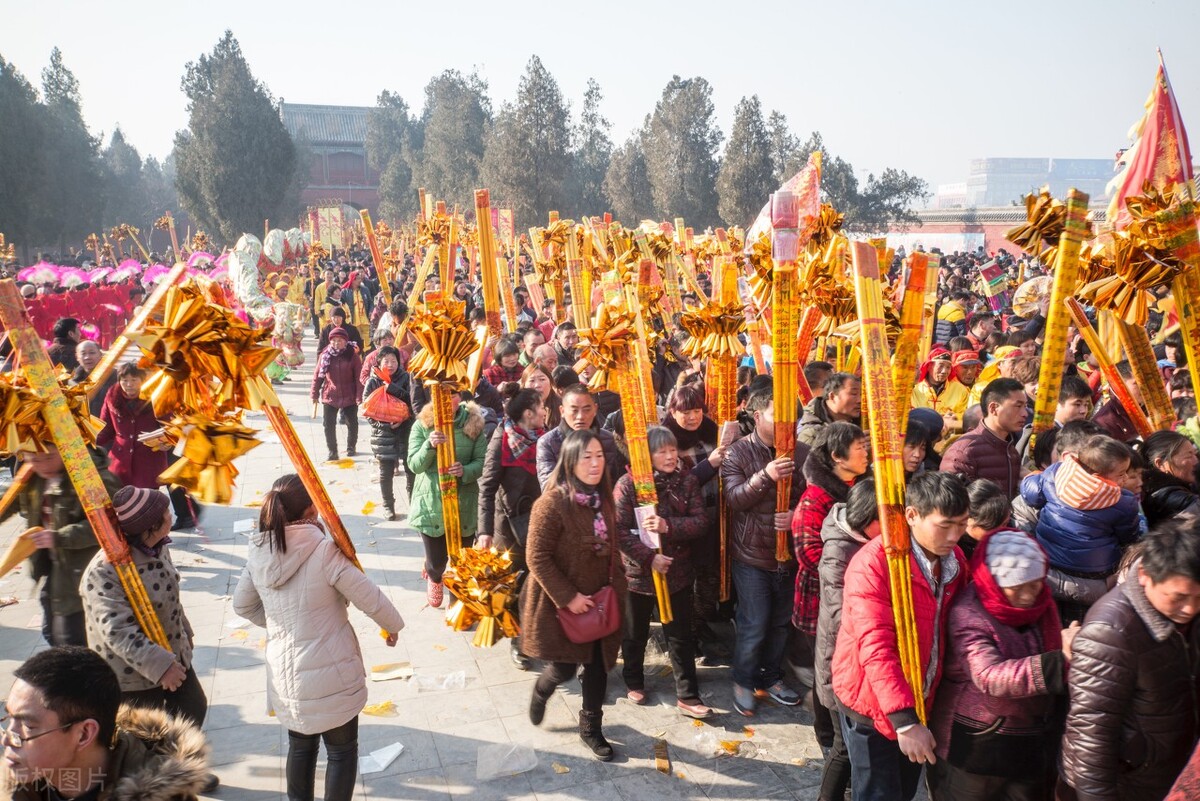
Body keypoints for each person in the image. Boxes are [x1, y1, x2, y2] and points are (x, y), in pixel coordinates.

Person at [233, 475, 404, 801]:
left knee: (300, 747)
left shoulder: (258, 551)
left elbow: (242, 605)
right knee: (341, 753)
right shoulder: (323, 551)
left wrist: (282, 624)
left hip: (286, 677)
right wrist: (391, 625)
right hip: (332, 674)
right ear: (311, 509)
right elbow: (368, 596)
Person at [832, 471, 970, 801]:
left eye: (962, 525)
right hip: (872, 703)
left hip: (922, 697)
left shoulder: (955, 562)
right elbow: (876, 647)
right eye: (945, 525)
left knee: (904, 791)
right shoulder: (874, 564)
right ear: (912, 515)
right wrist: (905, 722)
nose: (954, 536)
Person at [926, 529, 1075, 801]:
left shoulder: (1043, 605)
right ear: (992, 581)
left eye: (1034, 584)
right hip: (978, 746)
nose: (1028, 595)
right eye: (1017, 587)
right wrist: (1060, 661)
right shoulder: (968, 613)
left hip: (1030, 741)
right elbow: (989, 675)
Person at [1061, 521, 1200, 801]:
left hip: (1170, 769)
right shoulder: (1111, 633)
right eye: (1179, 597)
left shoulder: (1184, 616)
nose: (1190, 608)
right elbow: (1091, 734)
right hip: (1131, 781)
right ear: (1146, 575)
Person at [523, 429, 626, 761]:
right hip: (561, 606)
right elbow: (536, 557)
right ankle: (542, 689)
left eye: (599, 456)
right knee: (565, 668)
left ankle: (591, 728)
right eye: (586, 457)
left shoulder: (604, 500)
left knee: (598, 667)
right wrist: (569, 597)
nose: (595, 464)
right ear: (569, 461)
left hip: (599, 601)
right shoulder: (551, 503)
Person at [0, 646, 212, 800]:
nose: (8, 740)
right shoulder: (19, 786)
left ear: (84, 734)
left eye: (28, 727)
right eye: (8, 719)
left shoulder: (162, 796)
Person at [80, 486, 206, 728]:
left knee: (193, 709)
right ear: (151, 526)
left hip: (173, 652)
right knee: (147, 735)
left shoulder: (158, 545)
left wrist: (184, 632)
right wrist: (162, 667)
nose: (171, 514)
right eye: (166, 513)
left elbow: (170, 594)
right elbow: (117, 631)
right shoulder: (104, 571)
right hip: (133, 675)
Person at [615, 426, 712, 718]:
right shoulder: (628, 485)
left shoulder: (687, 480)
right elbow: (619, 531)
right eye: (662, 451)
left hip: (677, 570)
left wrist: (668, 526)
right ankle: (633, 680)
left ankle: (688, 694)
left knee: (680, 634)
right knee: (635, 632)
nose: (670, 456)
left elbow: (701, 522)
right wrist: (649, 558)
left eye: (673, 450)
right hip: (637, 575)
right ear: (647, 456)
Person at [722, 386, 808, 716]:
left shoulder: (803, 453)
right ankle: (743, 680)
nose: (787, 425)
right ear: (757, 417)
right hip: (752, 557)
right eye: (777, 417)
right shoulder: (738, 453)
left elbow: (816, 498)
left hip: (790, 557)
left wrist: (797, 517)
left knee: (781, 624)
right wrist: (765, 476)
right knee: (754, 623)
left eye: (792, 419)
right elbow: (734, 499)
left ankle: (771, 676)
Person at [792, 423, 870, 762]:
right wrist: (856, 563)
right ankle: (827, 734)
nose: (866, 453)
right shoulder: (815, 498)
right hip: (821, 597)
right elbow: (808, 552)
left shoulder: (860, 487)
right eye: (859, 447)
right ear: (837, 456)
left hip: (852, 595)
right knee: (826, 667)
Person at [7, 446, 121, 647]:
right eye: (34, 459)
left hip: (88, 573)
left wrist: (60, 537)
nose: (43, 465)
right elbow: (8, 503)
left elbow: (108, 524)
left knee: (72, 640)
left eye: (49, 457)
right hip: (55, 569)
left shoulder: (90, 477)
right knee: (52, 633)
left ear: (63, 449)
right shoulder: (33, 476)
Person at [1021, 435, 1141, 623]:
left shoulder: (1056, 474)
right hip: (1094, 570)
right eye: (1121, 474)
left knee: (1053, 612)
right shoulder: (1123, 501)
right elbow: (1128, 536)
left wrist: (1030, 478)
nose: (1125, 478)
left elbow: (1031, 495)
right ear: (1097, 477)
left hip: (1049, 557)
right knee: (1083, 618)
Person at [814, 479, 880, 801]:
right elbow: (844, 612)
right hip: (837, 662)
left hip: (855, 661)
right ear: (867, 519)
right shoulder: (838, 552)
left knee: (850, 748)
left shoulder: (865, 541)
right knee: (843, 747)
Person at [476, 387, 547, 669]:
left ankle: (538, 633)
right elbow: (487, 487)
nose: (545, 411)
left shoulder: (545, 437)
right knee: (516, 584)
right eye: (541, 407)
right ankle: (519, 642)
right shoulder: (502, 440)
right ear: (529, 413)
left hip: (540, 521)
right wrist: (484, 531)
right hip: (510, 526)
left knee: (540, 579)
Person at [407, 390, 487, 607]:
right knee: (437, 562)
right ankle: (433, 575)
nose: (446, 399)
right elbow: (414, 465)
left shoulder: (474, 424)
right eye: (441, 393)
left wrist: (466, 470)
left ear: (459, 397)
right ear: (433, 396)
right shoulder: (422, 424)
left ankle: (457, 603)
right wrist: (429, 446)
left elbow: (482, 461)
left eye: (452, 394)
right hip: (431, 501)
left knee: (461, 561)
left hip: (463, 501)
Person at [940, 377, 1026, 497]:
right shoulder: (964, 451)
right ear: (993, 408)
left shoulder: (1011, 452)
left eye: (1025, 406)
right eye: (1018, 406)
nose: (1025, 413)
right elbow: (949, 500)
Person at [535, 385, 627, 489]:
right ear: (562, 411)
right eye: (574, 410)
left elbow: (617, 482)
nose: (580, 416)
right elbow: (549, 487)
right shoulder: (548, 442)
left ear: (595, 409)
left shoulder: (608, 439)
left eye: (586, 410)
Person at [96, 363, 169, 491]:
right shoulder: (112, 397)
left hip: (148, 463)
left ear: (143, 380)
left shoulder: (156, 396)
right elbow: (104, 429)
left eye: (134, 380)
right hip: (119, 463)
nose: (129, 384)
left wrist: (167, 441)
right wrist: (88, 443)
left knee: (146, 501)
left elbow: (170, 425)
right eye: (124, 380)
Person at [362, 346, 412, 521]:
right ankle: (388, 506)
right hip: (382, 434)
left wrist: (392, 388)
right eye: (386, 361)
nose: (390, 365)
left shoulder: (406, 378)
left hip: (405, 431)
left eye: (393, 361)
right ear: (378, 362)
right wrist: (383, 425)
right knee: (386, 473)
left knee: (411, 470)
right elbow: (366, 410)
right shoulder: (373, 381)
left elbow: (412, 401)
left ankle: (413, 505)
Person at [310, 327, 363, 462]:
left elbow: (359, 378)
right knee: (328, 424)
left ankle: (351, 447)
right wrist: (314, 394)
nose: (336, 343)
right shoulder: (325, 355)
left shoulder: (353, 356)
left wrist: (359, 396)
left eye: (340, 340)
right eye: (333, 340)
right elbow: (318, 376)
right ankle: (332, 451)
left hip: (349, 394)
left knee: (352, 422)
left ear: (345, 341)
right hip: (330, 394)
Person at [1137, 430, 1200, 527]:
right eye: (1188, 456)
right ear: (1160, 464)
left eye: (1195, 454)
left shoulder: (1180, 485)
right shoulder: (1167, 497)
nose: (1196, 461)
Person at [797, 373, 863, 447]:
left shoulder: (863, 424)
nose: (860, 400)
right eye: (854, 394)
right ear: (832, 396)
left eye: (861, 395)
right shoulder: (811, 435)